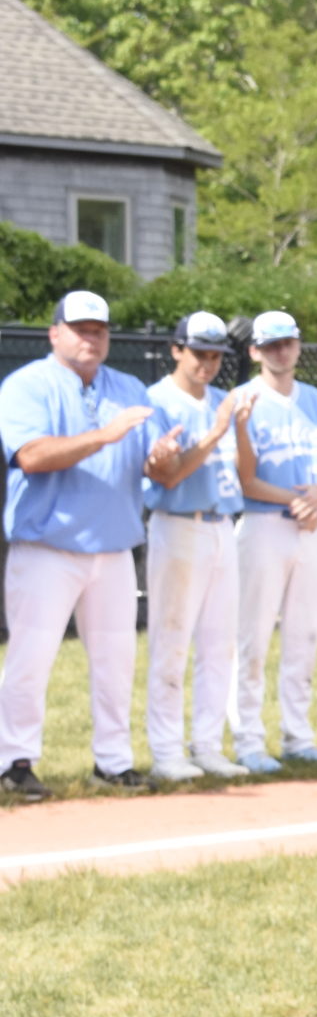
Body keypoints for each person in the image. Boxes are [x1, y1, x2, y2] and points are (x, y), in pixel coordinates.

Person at [0, 291, 160, 799]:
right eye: (80, 328)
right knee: (30, 659)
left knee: (116, 662)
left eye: (100, 329)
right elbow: (32, 455)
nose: (91, 337)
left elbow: (153, 465)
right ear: (55, 333)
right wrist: (105, 435)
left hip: (114, 549)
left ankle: (112, 762)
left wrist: (165, 457)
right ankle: (13, 762)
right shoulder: (26, 385)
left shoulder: (130, 387)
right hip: (47, 547)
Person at [232, 309, 317, 771]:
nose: (282, 351)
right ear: (255, 351)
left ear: (298, 346)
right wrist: (299, 501)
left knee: (305, 634)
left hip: (308, 530)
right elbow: (244, 481)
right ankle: (247, 740)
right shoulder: (243, 399)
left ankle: (298, 736)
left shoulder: (315, 400)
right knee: (253, 636)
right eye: (271, 345)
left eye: (289, 343)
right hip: (261, 526)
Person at [138, 311, 252, 783]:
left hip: (223, 523)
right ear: (176, 349)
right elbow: (167, 473)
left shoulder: (224, 400)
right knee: (172, 639)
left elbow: (246, 473)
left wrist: (237, 428)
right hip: (177, 525)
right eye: (199, 352)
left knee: (219, 642)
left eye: (215, 354)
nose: (208, 363)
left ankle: (207, 745)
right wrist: (216, 432)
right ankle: (166, 752)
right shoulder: (156, 401)